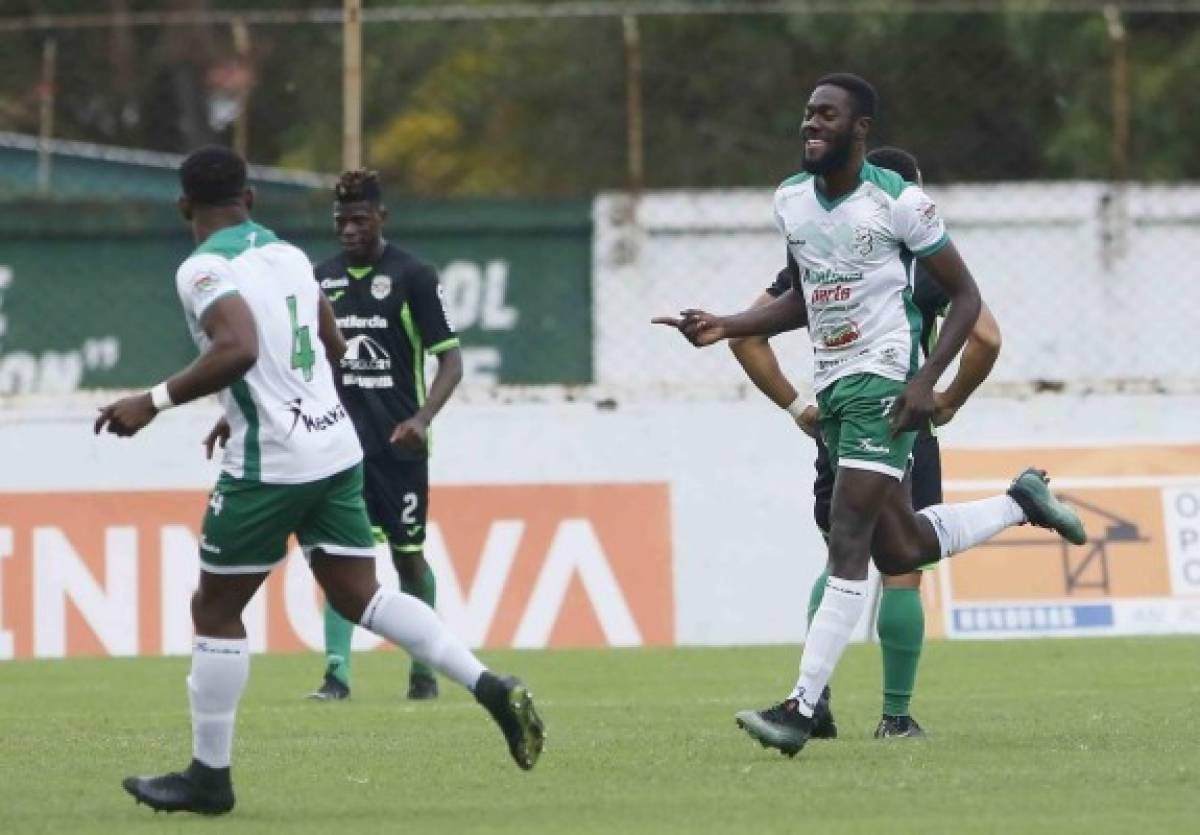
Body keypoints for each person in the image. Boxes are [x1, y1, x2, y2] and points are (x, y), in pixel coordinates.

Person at [96, 146, 543, 816]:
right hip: (335, 448)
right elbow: (328, 346)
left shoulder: (203, 267)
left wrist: (151, 401)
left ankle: (209, 777)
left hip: (271, 464)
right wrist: (251, 404)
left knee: (215, 609)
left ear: (185, 207)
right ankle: (488, 684)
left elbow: (239, 346)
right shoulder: (286, 255)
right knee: (362, 593)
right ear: (249, 199)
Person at [653, 73, 1085, 757]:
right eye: (806, 115)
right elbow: (807, 299)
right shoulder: (791, 203)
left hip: (883, 382)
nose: (810, 126)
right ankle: (1019, 502)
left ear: (860, 129)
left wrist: (926, 381)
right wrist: (726, 323)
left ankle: (800, 708)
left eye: (826, 116)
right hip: (836, 390)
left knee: (848, 537)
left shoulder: (900, 204)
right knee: (901, 546)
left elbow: (969, 300)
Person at [729, 145, 1003, 739]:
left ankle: (812, 703)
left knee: (842, 555)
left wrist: (797, 406)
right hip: (905, 415)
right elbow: (985, 338)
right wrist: (945, 399)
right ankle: (895, 717)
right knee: (900, 569)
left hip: (840, 413)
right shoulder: (924, 262)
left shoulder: (820, 252)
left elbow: (746, 337)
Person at [306, 170, 462, 702]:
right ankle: (336, 676)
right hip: (338, 448)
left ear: (381, 219)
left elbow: (451, 362)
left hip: (400, 447)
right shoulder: (317, 279)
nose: (349, 229)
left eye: (359, 219)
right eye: (340, 221)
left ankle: (423, 671)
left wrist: (421, 420)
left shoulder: (413, 275)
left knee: (408, 557)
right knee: (341, 559)